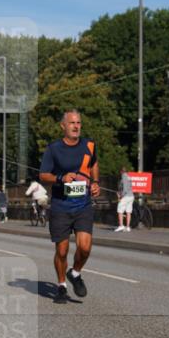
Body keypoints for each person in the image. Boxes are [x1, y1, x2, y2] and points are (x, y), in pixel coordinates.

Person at [39, 109, 101, 304]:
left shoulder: (89, 145)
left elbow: (93, 164)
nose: (76, 126)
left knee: (85, 247)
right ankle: (61, 286)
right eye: (72, 123)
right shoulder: (53, 149)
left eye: (79, 123)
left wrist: (95, 182)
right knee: (62, 251)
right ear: (63, 126)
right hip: (61, 206)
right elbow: (43, 175)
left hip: (83, 205)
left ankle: (74, 273)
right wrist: (61, 178)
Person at [115, 167, 134, 232]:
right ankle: (128, 227)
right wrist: (119, 192)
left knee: (120, 210)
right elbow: (128, 188)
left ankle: (121, 226)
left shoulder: (123, 177)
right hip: (131, 196)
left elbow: (125, 190)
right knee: (128, 211)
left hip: (125, 196)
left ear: (121, 172)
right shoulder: (129, 177)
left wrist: (120, 196)